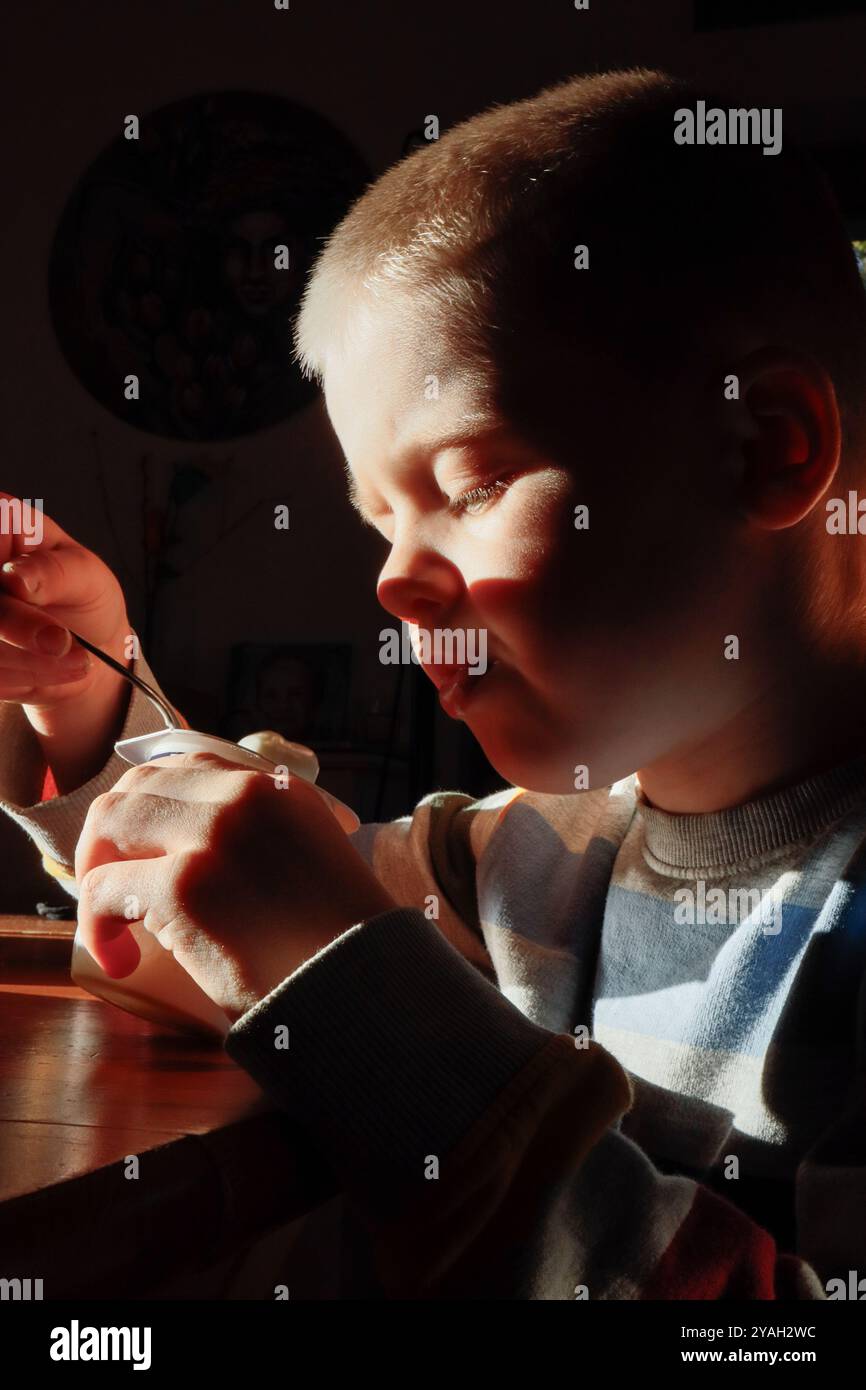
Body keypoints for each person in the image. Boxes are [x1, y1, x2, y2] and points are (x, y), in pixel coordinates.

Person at [3, 67, 866, 1299]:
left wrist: (365, 988)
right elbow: (227, 923)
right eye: (376, 524)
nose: (395, 584)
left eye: (465, 485)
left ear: (762, 443)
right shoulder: (522, 856)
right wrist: (86, 694)